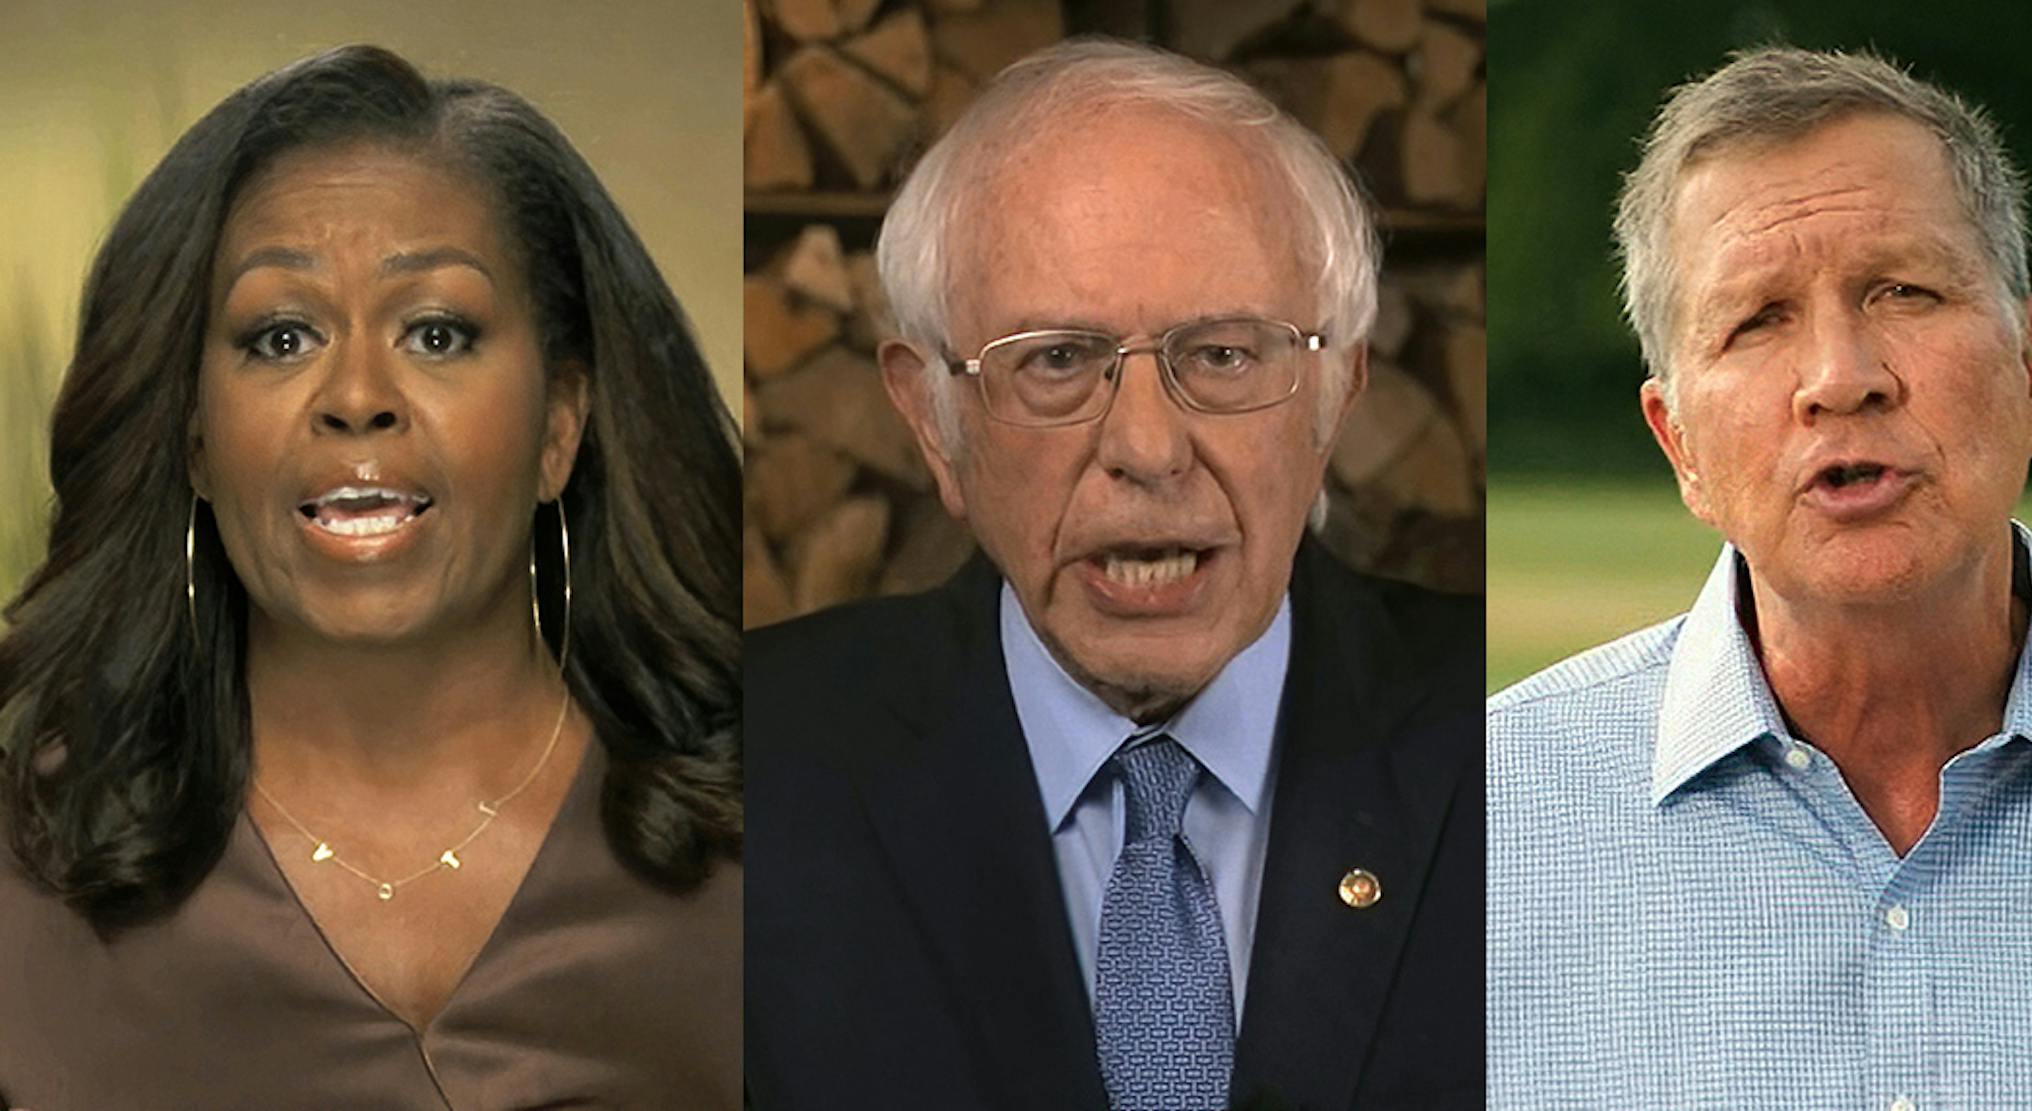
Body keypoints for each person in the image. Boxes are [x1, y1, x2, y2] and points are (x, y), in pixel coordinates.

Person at [747, 38, 1483, 1111]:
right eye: (1056, 359)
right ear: (931, 421)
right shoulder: (748, 761)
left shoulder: (1514, 743)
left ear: (1338, 395)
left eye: (1225, 355)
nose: (1148, 445)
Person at [0, 45, 743, 1108]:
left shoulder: (757, 856)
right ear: (196, 442)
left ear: (560, 426)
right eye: (281, 334)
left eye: (437, 332)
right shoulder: (25, 876)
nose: (357, 395)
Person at [1488, 45, 2032, 1106]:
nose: (1842, 378)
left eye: (1903, 289)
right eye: (1757, 320)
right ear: (1681, 447)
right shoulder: (1481, 831)